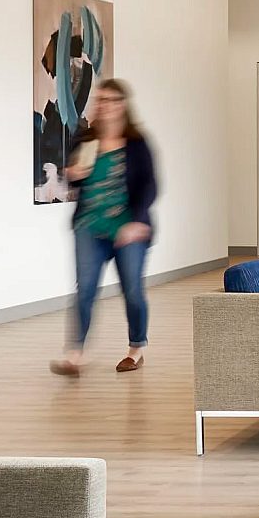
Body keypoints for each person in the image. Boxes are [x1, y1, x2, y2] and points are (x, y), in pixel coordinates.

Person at [51, 79, 157, 376]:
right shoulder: (86, 139)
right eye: (100, 100)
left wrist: (136, 221)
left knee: (133, 291)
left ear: (122, 105)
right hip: (89, 226)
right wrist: (71, 173)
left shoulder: (137, 144)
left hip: (128, 230)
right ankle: (74, 354)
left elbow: (149, 185)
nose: (104, 105)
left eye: (110, 100)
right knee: (84, 290)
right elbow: (74, 179)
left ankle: (136, 349)